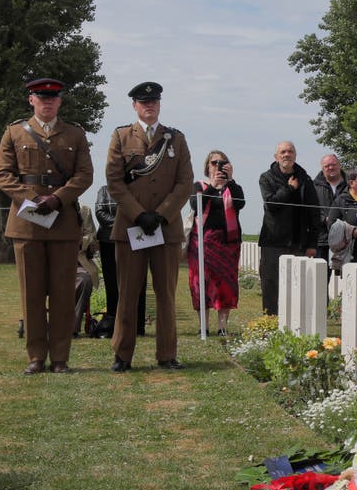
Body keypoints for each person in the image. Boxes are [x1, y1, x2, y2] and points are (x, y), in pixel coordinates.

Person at [0, 77, 94, 374]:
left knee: (63, 293)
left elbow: (84, 175)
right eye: (41, 96)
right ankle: (36, 356)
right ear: (31, 100)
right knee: (32, 293)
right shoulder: (14, 133)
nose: (47, 101)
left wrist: (59, 198)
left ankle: (61, 357)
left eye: (53, 97)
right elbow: (3, 175)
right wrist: (33, 198)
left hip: (62, 223)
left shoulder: (75, 134)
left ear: (60, 101)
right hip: (27, 223)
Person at [104, 81, 195, 372]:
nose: (149, 106)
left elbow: (184, 183)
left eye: (154, 101)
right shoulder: (120, 137)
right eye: (144, 103)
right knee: (128, 293)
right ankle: (122, 355)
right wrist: (139, 214)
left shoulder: (175, 139)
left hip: (165, 229)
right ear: (134, 106)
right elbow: (114, 182)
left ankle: (167, 354)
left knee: (166, 294)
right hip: (131, 228)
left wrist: (162, 215)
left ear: (159, 104)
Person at [257, 141, 320, 315]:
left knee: (297, 286)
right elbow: (271, 205)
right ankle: (270, 323)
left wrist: (312, 243)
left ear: (295, 156)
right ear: (276, 157)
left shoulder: (305, 179)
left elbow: (314, 213)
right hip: (272, 242)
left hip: (298, 242)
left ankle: (295, 324)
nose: (287, 155)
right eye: (283, 152)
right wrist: (290, 188)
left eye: (290, 152)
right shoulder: (266, 178)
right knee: (270, 285)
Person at [188, 151, 246, 336]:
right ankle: (203, 326)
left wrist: (230, 181)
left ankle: (223, 327)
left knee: (226, 285)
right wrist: (212, 187)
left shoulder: (233, 187)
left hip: (228, 244)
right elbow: (196, 206)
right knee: (200, 283)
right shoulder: (199, 186)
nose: (218, 166)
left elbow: (240, 203)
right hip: (203, 243)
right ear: (207, 167)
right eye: (214, 163)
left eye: (223, 163)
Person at [93, 184, 146, 338]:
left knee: (138, 282)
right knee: (112, 283)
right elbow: (100, 213)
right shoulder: (103, 190)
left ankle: (138, 325)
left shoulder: (139, 190)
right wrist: (122, 224)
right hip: (108, 241)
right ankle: (113, 325)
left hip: (135, 239)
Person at [313, 153, 348, 273]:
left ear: (340, 165)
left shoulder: (351, 185)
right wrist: (325, 219)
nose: (330, 168)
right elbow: (310, 209)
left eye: (333, 164)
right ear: (322, 169)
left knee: (350, 273)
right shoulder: (313, 186)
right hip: (322, 237)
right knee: (321, 275)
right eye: (327, 166)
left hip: (347, 237)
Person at [73, 202, 99, 337]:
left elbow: (91, 235)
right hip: (49, 264)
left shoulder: (84, 210)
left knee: (85, 280)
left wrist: (78, 241)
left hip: (77, 263)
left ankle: (72, 328)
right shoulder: (45, 208)